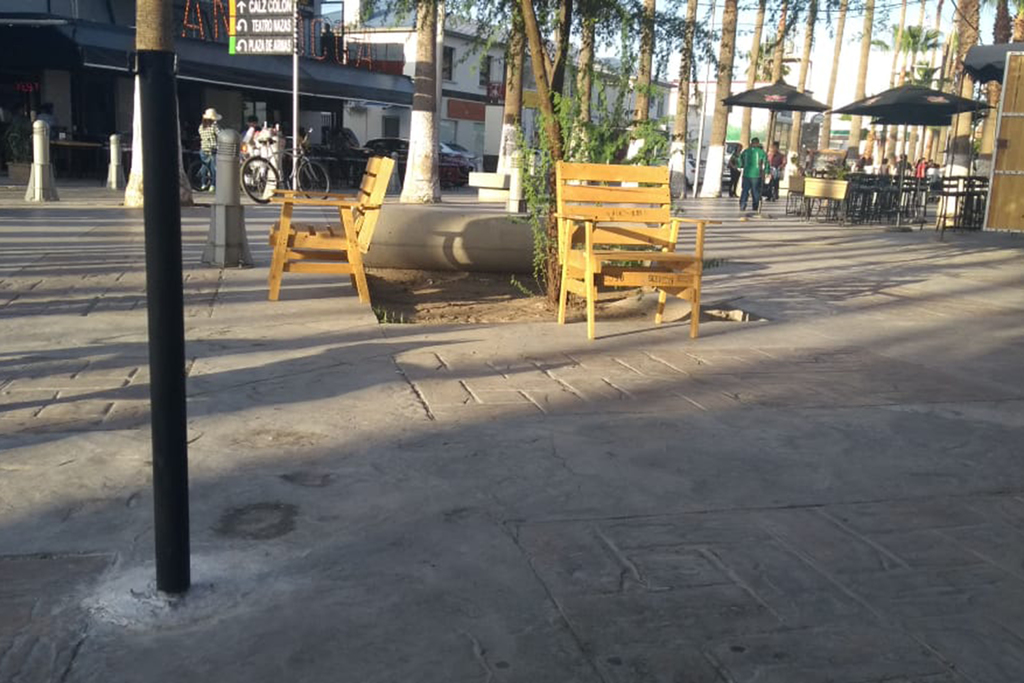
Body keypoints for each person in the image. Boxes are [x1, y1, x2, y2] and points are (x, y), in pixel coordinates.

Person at [738, 137, 767, 212]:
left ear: (751, 143)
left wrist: (741, 165)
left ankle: (742, 205)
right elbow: (765, 162)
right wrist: (767, 172)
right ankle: (755, 205)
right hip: (756, 175)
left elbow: (740, 160)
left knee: (745, 190)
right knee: (755, 191)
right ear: (757, 143)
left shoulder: (745, 151)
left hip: (746, 174)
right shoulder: (761, 152)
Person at [198, 107, 221, 191]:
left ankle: (203, 184)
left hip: (203, 149)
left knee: (204, 166)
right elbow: (221, 134)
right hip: (213, 149)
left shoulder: (201, 127)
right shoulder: (214, 126)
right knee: (213, 168)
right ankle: (212, 185)